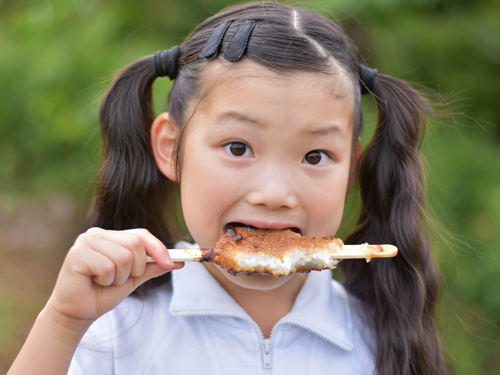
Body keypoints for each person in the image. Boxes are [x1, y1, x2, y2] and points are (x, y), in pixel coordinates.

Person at [8, 2, 447, 374]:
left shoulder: (381, 339)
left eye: (315, 156)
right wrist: (64, 322)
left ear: (351, 168)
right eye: (238, 147)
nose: (274, 194)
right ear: (171, 148)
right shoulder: (110, 331)